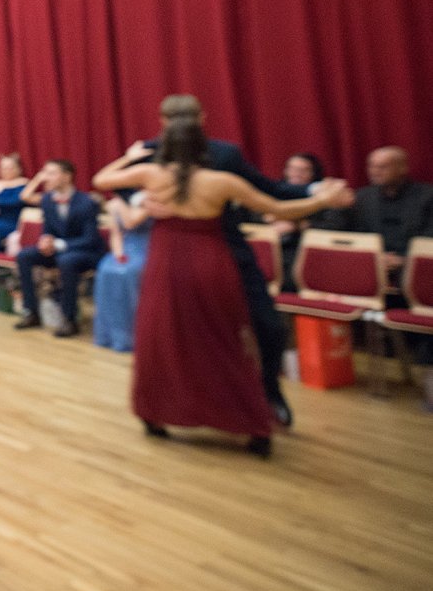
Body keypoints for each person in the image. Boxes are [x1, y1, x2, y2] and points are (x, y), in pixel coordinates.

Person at [94, 121, 348, 456]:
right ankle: (252, 424)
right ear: (203, 148)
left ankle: (156, 414)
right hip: (211, 260)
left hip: (167, 263)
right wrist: (323, 200)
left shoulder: (151, 174)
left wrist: (129, 157)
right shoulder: (222, 181)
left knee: (163, 337)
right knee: (223, 339)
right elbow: (279, 208)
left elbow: (101, 180)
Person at [137, 95, 333, 429]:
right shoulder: (148, 152)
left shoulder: (225, 154)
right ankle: (171, 405)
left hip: (226, 249)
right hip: (172, 256)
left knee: (269, 326)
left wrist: (316, 191)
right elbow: (123, 188)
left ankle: (270, 392)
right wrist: (142, 199)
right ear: (162, 121)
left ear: (203, 118)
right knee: (170, 333)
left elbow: (270, 190)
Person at [12, 160, 103, 337]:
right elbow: (48, 229)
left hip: (85, 252)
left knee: (66, 261)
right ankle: (31, 312)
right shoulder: (47, 200)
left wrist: (58, 244)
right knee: (24, 256)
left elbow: (90, 239)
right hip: (59, 251)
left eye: (52, 173)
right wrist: (45, 240)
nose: (46, 177)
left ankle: (69, 319)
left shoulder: (87, 202)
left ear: (67, 177)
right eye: (46, 173)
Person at [314, 146, 433, 275]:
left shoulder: (427, 197)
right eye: (372, 166)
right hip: (366, 268)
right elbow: (336, 230)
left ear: (402, 168)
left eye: (383, 167)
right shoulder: (360, 197)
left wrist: (404, 260)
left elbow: (429, 237)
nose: (375, 172)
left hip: (417, 269)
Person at [92, 190, 152, 353]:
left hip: (147, 247)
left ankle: (133, 335)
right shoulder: (115, 204)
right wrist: (118, 254)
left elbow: (130, 223)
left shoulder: (148, 199)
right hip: (125, 247)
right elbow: (116, 234)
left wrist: (120, 204)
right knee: (106, 269)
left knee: (129, 272)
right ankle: (110, 335)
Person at [267, 151, 324, 291]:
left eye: (303, 170)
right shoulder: (273, 191)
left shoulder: (323, 196)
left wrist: (297, 226)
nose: (297, 174)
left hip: (304, 250)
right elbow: (257, 217)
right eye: (292, 169)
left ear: (313, 174)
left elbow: (331, 225)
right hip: (272, 246)